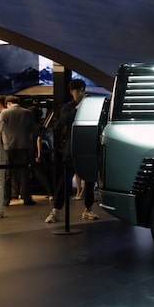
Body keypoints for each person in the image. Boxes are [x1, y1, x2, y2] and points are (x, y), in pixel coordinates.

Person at [45, 79, 99, 223]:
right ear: (71, 92)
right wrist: (78, 107)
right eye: (77, 91)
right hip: (71, 148)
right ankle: (56, 210)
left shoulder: (90, 106)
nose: (80, 93)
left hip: (87, 147)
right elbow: (66, 120)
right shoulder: (68, 107)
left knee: (89, 181)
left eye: (82, 90)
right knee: (64, 180)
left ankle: (88, 209)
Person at [0, 95, 38, 205]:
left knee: (8, 173)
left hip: (8, 146)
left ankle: (6, 199)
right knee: (24, 173)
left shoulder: (4, 113)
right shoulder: (27, 113)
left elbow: (1, 128)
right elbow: (32, 128)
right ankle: (26, 198)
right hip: (24, 145)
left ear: (8, 103)